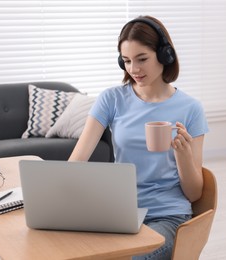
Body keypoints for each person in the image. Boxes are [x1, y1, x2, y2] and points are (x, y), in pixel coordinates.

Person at [69, 15, 209, 260]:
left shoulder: (191, 109)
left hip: (167, 216)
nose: (134, 69)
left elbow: (195, 194)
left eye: (142, 59)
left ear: (165, 55)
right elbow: (76, 162)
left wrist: (183, 155)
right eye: (126, 61)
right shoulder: (111, 99)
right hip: (118, 213)